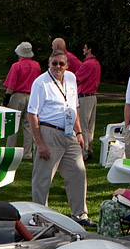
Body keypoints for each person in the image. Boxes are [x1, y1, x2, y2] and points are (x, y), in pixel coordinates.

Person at [27, 50, 95, 229]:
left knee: (78, 173)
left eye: (61, 64)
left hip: (69, 133)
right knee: (43, 178)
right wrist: (40, 143)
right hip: (49, 132)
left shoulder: (71, 78)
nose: (57, 67)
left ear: (67, 65)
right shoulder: (41, 83)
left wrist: (79, 133)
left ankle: (79, 214)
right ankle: (40, 216)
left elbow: (74, 108)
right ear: (49, 63)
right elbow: (32, 113)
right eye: (54, 63)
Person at [2, 41, 41, 158]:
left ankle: (10, 150)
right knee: (28, 125)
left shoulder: (16, 66)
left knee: (13, 124)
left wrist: (6, 99)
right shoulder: (37, 66)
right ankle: (27, 153)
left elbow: (11, 85)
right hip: (31, 96)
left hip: (17, 96)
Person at [74, 41, 101, 161]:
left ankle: (83, 152)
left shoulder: (88, 64)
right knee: (90, 126)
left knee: (83, 125)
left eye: (85, 48)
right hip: (92, 96)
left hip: (85, 97)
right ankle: (89, 149)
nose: (83, 50)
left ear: (89, 50)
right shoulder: (96, 63)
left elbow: (77, 79)